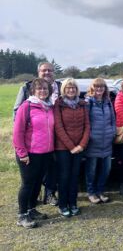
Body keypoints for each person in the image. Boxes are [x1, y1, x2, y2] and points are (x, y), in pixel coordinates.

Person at [14, 62, 61, 206]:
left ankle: (42, 200)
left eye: (50, 70)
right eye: (43, 70)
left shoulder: (55, 94)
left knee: (46, 175)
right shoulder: (26, 98)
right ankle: (25, 211)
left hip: (51, 145)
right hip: (31, 145)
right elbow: (18, 120)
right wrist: (21, 149)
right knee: (29, 180)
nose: (47, 73)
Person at [13, 78, 54, 228]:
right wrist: (22, 153)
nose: (43, 91)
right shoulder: (27, 106)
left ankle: (32, 209)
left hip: (46, 153)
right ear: (33, 91)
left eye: (45, 88)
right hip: (29, 153)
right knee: (27, 184)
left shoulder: (49, 107)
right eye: (40, 89)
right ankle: (22, 215)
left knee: (37, 183)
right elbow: (18, 132)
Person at [54, 78, 90, 217]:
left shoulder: (82, 104)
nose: (71, 90)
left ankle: (73, 203)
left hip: (79, 147)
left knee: (74, 176)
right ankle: (63, 205)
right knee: (64, 176)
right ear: (64, 89)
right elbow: (58, 127)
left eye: (73, 88)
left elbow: (87, 125)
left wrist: (82, 145)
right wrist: (71, 146)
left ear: (77, 90)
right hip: (63, 148)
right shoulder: (59, 104)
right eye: (68, 88)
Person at [85, 78, 116, 204]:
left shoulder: (108, 102)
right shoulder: (88, 102)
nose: (99, 89)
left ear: (105, 88)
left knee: (106, 169)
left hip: (107, 142)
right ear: (92, 88)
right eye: (97, 87)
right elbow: (85, 122)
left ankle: (100, 191)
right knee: (91, 170)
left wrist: (113, 132)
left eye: (102, 87)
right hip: (93, 143)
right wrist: (90, 136)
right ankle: (91, 193)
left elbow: (113, 120)